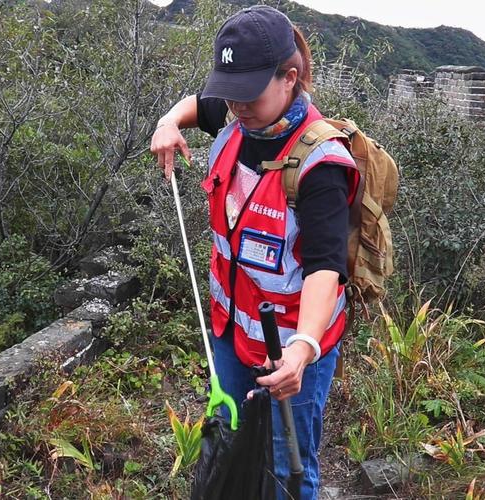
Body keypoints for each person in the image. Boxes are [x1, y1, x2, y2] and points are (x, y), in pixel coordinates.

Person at [150, 5, 359, 499]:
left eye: (249, 95)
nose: (237, 107)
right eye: (231, 92)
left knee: (289, 466)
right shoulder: (238, 111)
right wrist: (167, 121)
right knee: (227, 440)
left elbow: (325, 268)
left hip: (290, 350)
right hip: (229, 331)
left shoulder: (320, 166)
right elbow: (199, 105)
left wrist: (303, 349)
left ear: (290, 78)